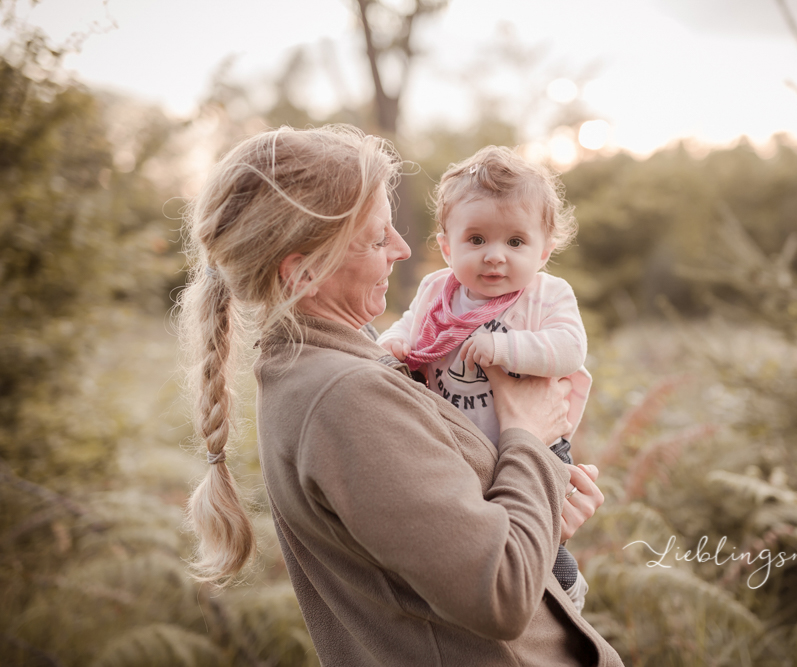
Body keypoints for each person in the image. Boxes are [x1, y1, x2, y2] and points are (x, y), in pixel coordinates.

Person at [178, 125, 623, 666]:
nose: (402, 249)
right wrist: (528, 435)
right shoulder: (346, 397)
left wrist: (541, 510)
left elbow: (447, 540)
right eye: (375, 238)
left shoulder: (344, 359)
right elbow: (501, 594)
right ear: (305, 271)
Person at [377, 145, 592, 611]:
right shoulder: (438, 291)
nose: (495, 256)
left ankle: (564, 597)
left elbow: (570, 348)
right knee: (474, 534)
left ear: (544, 251)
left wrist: (504, 347)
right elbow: (411, 325)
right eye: (476, 240)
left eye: (515, 242)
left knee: (541, 532)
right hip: (456, 443)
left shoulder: (546, 295)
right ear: (447, 246)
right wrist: (392, 343)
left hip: (537, 441)